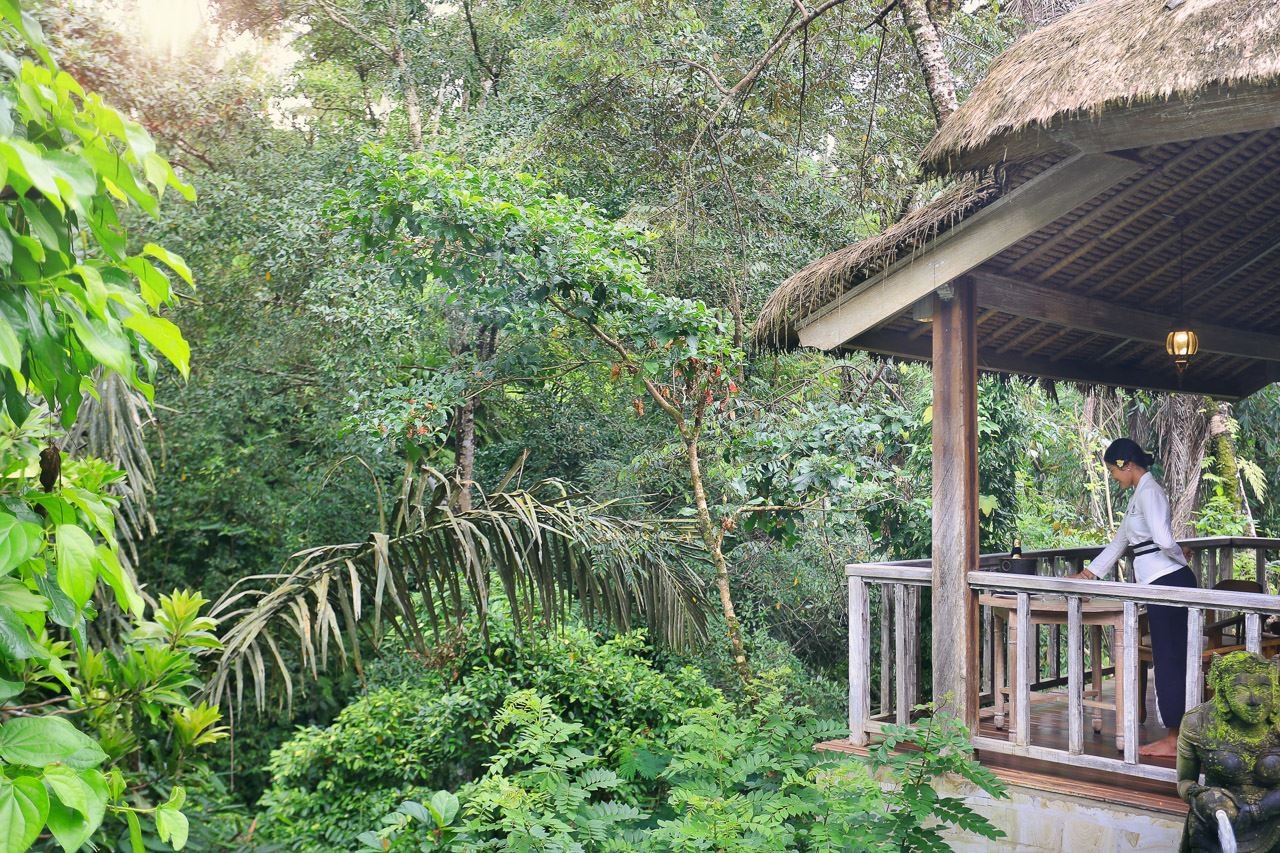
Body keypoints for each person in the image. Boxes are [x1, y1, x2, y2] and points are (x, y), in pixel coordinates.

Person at [1066, 437, 1197, 758]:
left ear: (1127, 465)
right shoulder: (1138, 496)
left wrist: (1181, 558)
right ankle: (1176, 733)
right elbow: (1118, 544)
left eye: (1113, 470)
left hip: (1170, 582)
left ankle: (1174, 736)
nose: (1113, 476)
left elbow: (1165, 540)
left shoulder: (1150, 492)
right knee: (1165, 659)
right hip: (1160, 582)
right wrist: (1087, 575)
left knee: (1169, 659)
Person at [1176, 651, 1280, 852]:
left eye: (1263, 687)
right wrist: (1200, 798)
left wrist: (1258, 810)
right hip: (1218, 820)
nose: (1253, 699)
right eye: (1240, 688)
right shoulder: (1198, 722)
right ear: (1223, 691)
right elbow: (1184, 782)